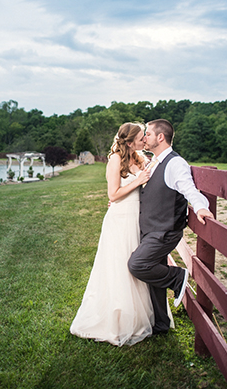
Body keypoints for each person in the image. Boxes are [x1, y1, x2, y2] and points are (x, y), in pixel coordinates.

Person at [70, 122, 158, 346]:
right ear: (129, 142)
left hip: (137, 219)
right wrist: (137, 181)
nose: (144, 140)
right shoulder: (115, 160)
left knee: (135, 265)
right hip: (120, 220)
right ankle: (116, 320)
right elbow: (113, 194)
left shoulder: (140, 159)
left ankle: (137, 316)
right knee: (119, 267)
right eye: (140, 137)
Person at [128, 119, 214, 335]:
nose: (144, 137)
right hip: (152, 229)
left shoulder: (175, 164)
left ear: (160, 137)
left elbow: (189, 189)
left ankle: (177, 278)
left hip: (164, 231)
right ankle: (161, 324)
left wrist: (201, 207)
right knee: (153, 279)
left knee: (138, 265)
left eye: (147, 134)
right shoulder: (155, 161)